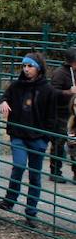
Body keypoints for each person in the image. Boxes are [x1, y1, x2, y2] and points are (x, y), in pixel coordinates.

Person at [0, 53, 60, 226]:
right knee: (18, 166)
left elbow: (52, 118)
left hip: (37, 139)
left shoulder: (48, 90)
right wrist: (2, 101)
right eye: (24, 66)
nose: (26, 69)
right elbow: (4, 97)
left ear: (38, 68)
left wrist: (45, 138)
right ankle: (9, 201)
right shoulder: (16, 86)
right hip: (18, 135)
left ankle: (31, 213)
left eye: (29, 66)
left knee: (35, 176)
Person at [49, 48, 76, 185]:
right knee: (59, 143)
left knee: (74, 144)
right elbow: (52, 92)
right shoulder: (60, 73)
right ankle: (55, 172)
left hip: (73, 114)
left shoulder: (74, 72)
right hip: (60, 114)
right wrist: (68, 92)